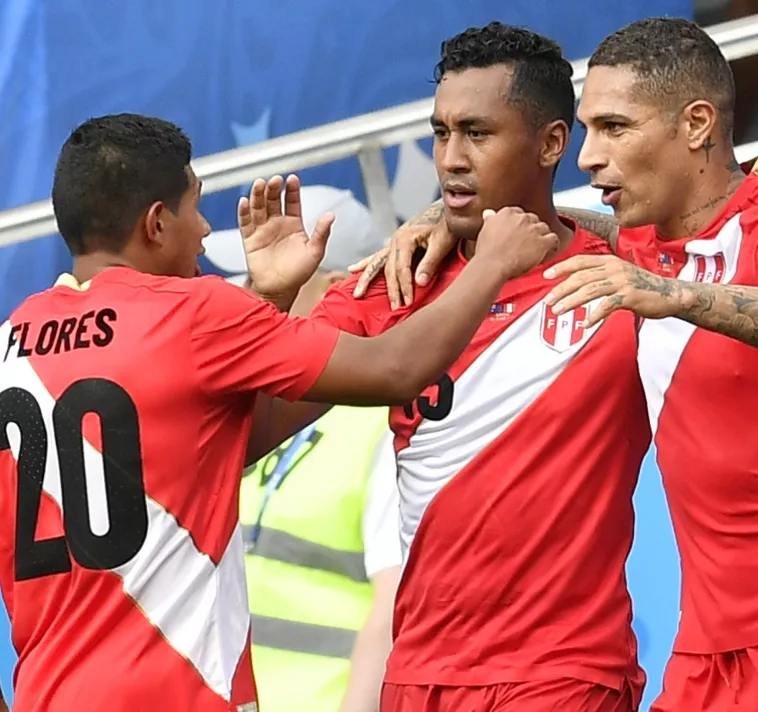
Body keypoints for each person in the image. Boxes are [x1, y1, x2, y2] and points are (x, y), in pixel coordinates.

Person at [0, 113, 556, 712]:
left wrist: (272, 301)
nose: (208, 232)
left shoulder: (9, 347)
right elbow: (397, 368)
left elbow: (219, 439)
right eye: (195, 208)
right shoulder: (191, 312)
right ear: (156, 224)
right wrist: (492, 265)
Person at [357, 17, 758, 712]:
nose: (587, 156)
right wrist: (448, 212)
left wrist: (674, 297)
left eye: (614, 128)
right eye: (586, 130)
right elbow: (565, 223)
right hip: (705, 654)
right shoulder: (638, 244)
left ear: (696, 124)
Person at [265, 22, 651, 712]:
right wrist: (270, 299)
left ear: (552, 143)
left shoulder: (624, 282)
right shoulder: (391, 286)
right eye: (441, 133)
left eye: (477, 133)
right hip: (418, 677)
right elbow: (250, 432)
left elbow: (736, 262)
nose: (450, 158)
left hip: (562, 673)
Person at [217, 188, 403, 712]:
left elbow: (393, 606)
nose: (246, 290)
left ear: (338, 287)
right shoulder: (240, 408)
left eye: (278, 271)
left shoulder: (380, 424)